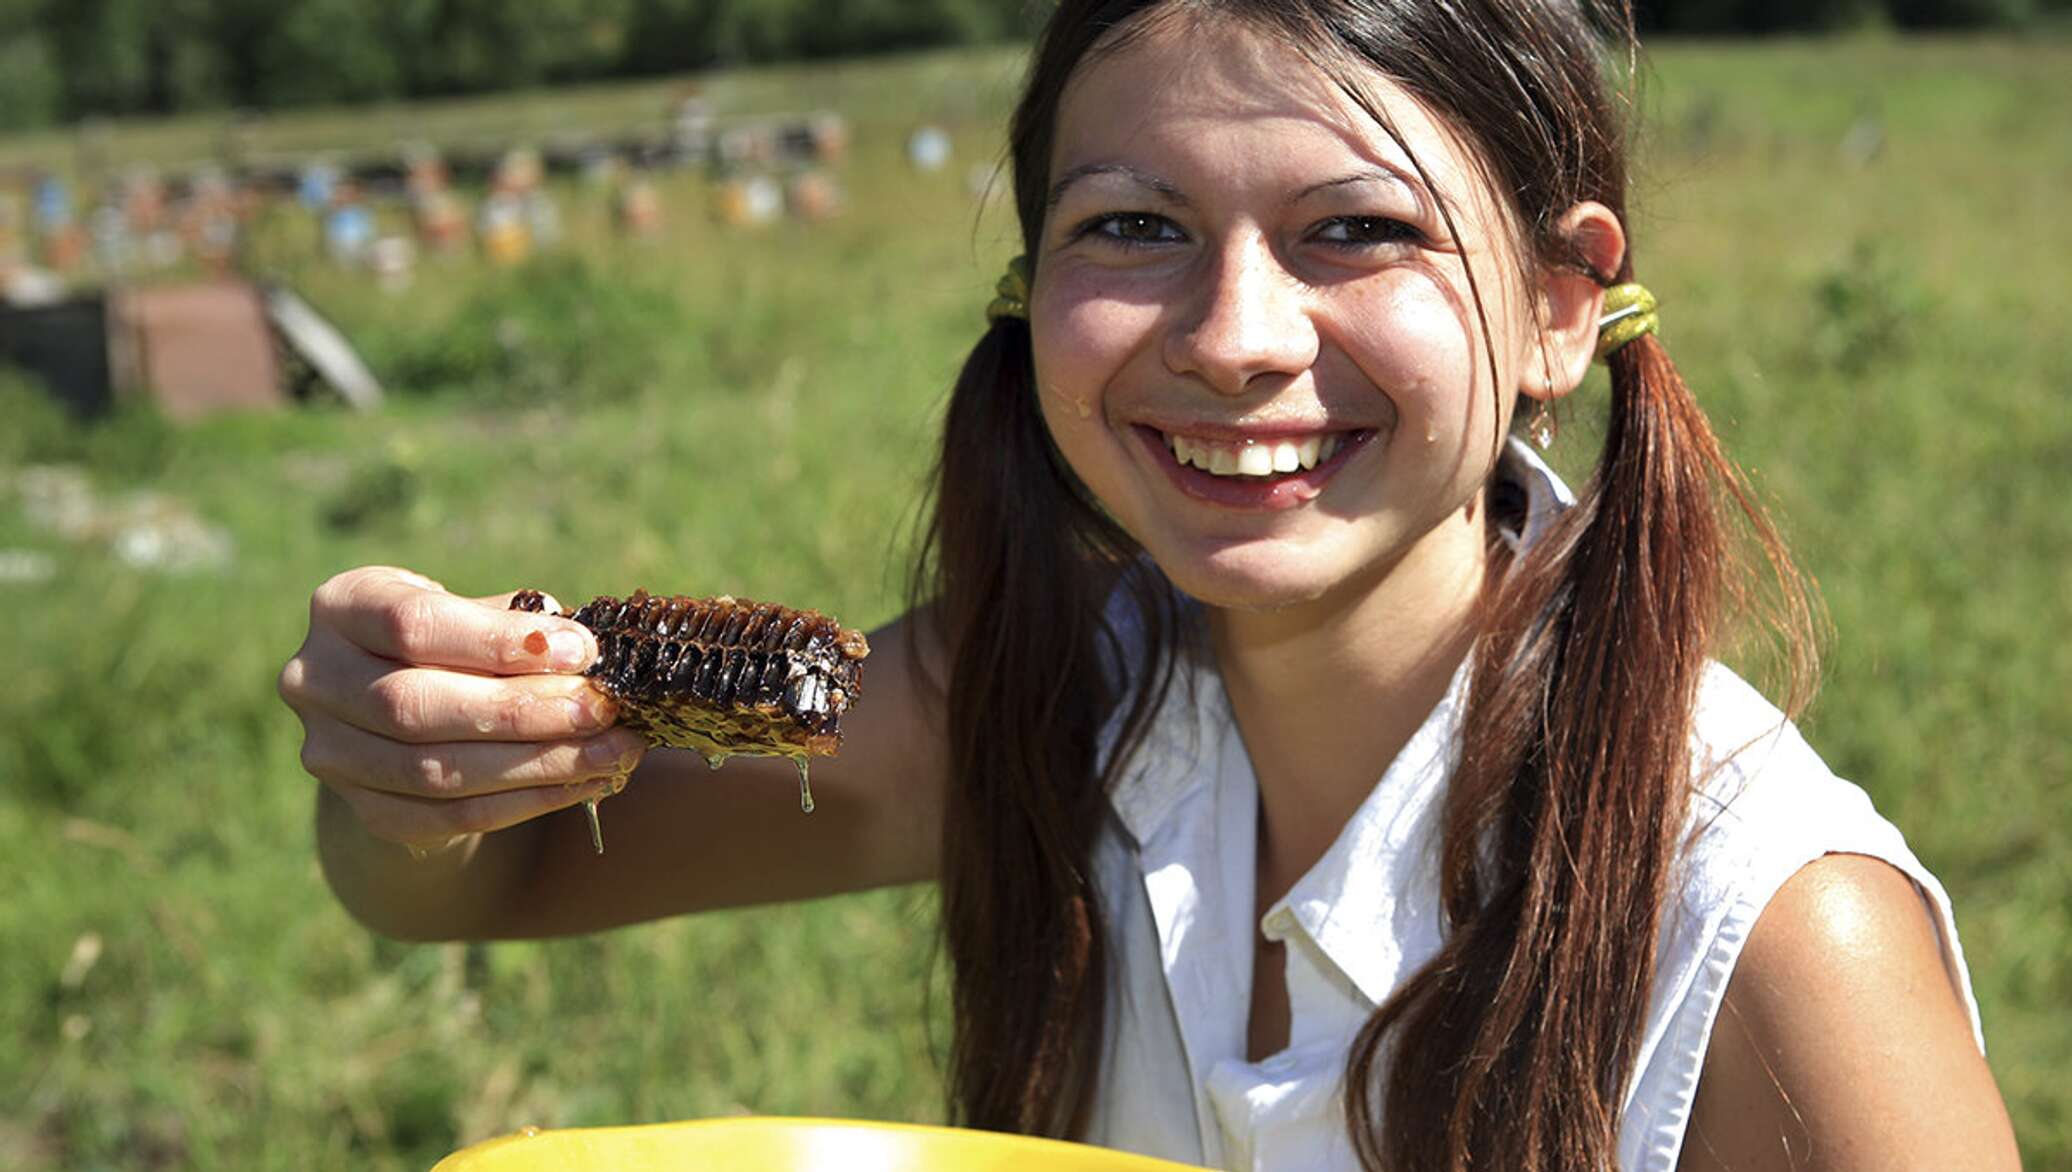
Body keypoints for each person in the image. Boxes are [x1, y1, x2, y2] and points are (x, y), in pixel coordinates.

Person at [277, 1, 2022, 1168]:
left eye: (1358, 228)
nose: (1236, 340)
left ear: (1563, 305)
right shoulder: (1040, 703)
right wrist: (417, 775)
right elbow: (461, 897)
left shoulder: (1779, 940)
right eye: (1134, 227)